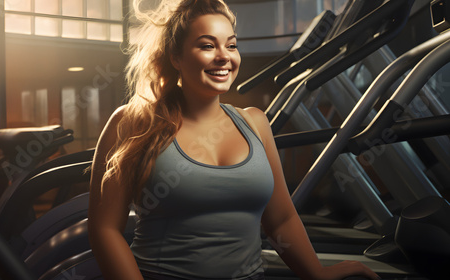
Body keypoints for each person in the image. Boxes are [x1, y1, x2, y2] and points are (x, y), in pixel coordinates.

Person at [88, 0, 381, 279]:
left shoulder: (255, 122)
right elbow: (105, 230)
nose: (224, 56)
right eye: (207, 45)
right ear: (175, 57)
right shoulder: (133, 123)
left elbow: (281, 219)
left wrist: (317, 273)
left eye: (231, 45)